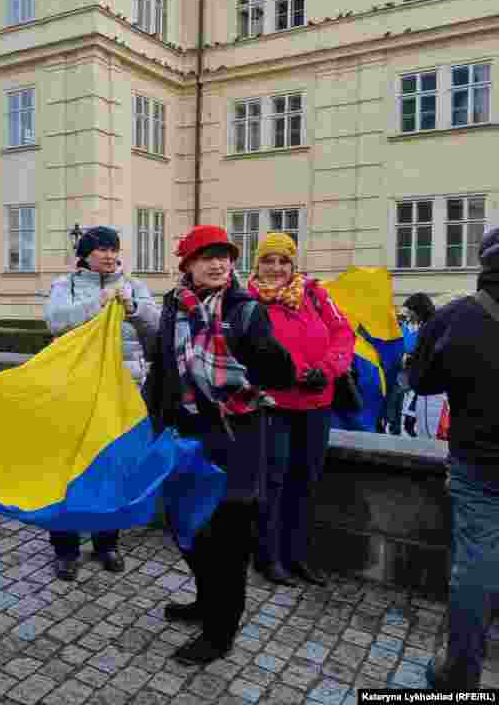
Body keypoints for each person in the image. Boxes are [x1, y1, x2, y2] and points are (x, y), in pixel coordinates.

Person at [143, 225, 295, 666]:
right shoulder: (176, 306)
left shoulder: (245, 310)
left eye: (224, 256)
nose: (218, 264)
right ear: (186, 265)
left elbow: (281, 373)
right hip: (187, 438)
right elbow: (164, 368)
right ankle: (205, 601)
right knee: (189, 531)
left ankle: (219, 632)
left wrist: (263, 351)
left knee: (227, 544)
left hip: (235, 443)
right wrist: (149, 419)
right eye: (206, 256)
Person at [409, 226, 499, 691]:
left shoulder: (456, 316)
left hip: (480, 464)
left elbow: (420, 381)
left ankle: (458, 676)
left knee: (476, 569)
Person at [44, 225, 161, 581]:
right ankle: (65, 547)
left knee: (114, 469)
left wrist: (134, 307)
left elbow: (156, 333)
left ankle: (107, 542)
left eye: (114, 249)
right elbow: (55, 322)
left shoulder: (135, 286)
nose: (110, 255)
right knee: (69, 471)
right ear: (85, 254)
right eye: (102, 249)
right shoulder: (66, 286)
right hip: (76, 394)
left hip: (122, 394)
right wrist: (98, 302)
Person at [247, 233, 354, 587]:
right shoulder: (247, 300)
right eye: (268, 260)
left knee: (306, 481)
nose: (276, 268)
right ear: (257, 263)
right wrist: (288, 372)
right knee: (273, 481)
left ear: (294, 265)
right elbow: (246, 349)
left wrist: (325, 369)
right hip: (274, 403)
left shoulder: (315, 294)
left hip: (315, 404)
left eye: (283, 261)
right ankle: (269, 556)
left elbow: (343, 335)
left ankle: (298, 556)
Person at [388, 293, 435, 436]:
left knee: (413, 422)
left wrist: (410, 359)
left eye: (411, 310)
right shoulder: (405, 327)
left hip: (422, 383)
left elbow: (428, 355)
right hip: (404, 376)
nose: (409, 314)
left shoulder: (429, 328)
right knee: (402, 416)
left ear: (419, 310)